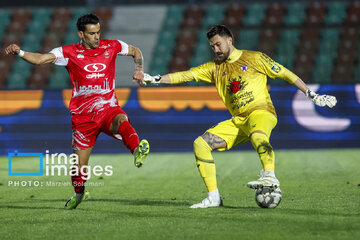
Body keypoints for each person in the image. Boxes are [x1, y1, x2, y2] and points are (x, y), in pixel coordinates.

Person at [142, 25, 337, 208]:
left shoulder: (255, 58)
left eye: (218, 44)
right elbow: (186, 75)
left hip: (261, 112)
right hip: (239, 120)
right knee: (200, 144)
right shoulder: (215, 68)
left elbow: (285, 73)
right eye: (212, 46)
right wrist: (155, 79)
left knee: (258, 135)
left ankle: (269, 175)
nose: (216, 49)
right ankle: (213, 198)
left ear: (230, 40)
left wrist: (311, 94)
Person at [5, 13, 150, 210]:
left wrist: (139, 69)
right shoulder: (68, 52)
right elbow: (41, 59)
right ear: (81, 34)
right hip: (83, 118)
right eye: (92, 34)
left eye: (98, 32)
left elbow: (136, 51)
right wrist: (20, 53)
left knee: (121, 119)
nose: (97, 37)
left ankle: (137, 149)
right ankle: (79, 194)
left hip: (107, 107)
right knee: (79, 168)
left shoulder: (112, 46)